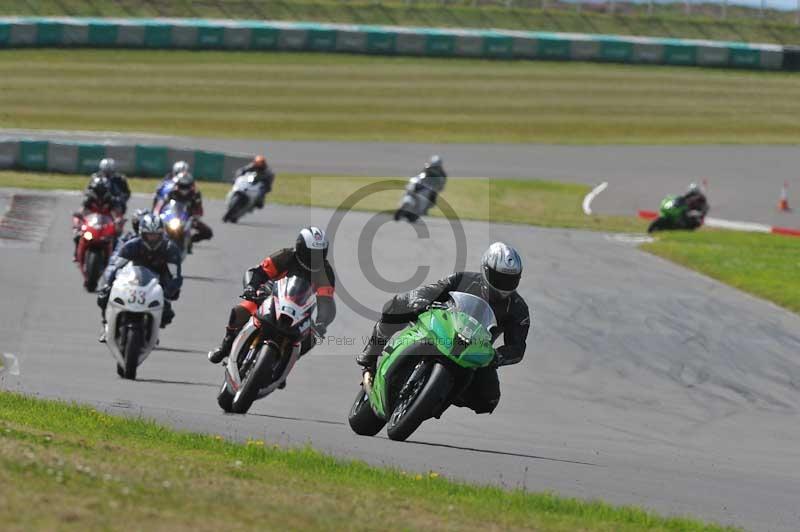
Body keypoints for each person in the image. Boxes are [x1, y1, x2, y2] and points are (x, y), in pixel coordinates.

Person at [356, 242, 530, 415]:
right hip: (441, 328)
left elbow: (517, 347)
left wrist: (497, 357)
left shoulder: (518, 308)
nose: (504, 285)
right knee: (396, 307)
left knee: (488, 400)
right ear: (485, 269)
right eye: (499, 278)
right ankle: (370, 355)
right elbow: (433, 289)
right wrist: (418, 300)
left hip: (473, 350)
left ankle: (440, 393)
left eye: (510, 280)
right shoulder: (462, 279)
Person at [207, 227, 336, 380]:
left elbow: (326, 302)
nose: (315, 258)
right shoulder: (286, 256)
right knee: (240, 311)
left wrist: (321, 323)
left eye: (319, 254)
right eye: (311, 253)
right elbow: (258, 272)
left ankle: (282, 366)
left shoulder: (325, 272)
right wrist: (251, 288)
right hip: (272, 294)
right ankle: (225, 346)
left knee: (312, 338)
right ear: (301, 248)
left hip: (300, 307)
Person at [96, 213, 183, 342]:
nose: (152, 238)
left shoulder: (170, 249)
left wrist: (167, 292)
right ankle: (107, 326)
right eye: (149, 234)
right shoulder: (131, 246)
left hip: (159, 282)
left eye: (156, 235)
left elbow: (176, 276)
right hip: (132, 278)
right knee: (104, 296)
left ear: (161, 234)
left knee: (167, 313)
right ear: (142, 233)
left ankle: (152, 329)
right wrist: (110, 284)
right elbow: (116, 267)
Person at [159, 171, 213, 244]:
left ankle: (190, 241)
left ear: (191, 186)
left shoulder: (195, 194)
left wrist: (195, 217)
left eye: (186, 186)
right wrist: (160, 215)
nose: (184, 189)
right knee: (157, 227)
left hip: (188, 217)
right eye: (182, 186)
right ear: (177, 185)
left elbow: (199, 209)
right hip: (172, 216)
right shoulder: (171, 192)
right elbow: (162, 205)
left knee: (208, 232)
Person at [72, 176, 118, 261]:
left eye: (102, 190)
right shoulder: (89, 199)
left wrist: (117, 221)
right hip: (92, 223)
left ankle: (114, 257)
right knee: (77, 235)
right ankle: (76, 253)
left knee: (116, 237)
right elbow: (82, 210)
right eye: (97, 190)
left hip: (105, 224)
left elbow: (115, 212)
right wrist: (78, 220)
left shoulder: (110, 199)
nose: (100, 192)